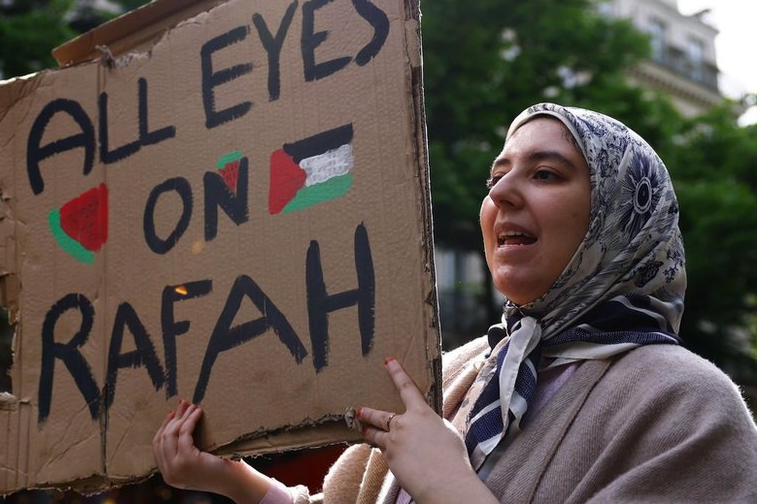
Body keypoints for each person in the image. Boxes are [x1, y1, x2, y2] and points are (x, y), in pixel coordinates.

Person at [152, 103, 757, 502]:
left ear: (619, 216)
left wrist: (449, 486)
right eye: (498, 175)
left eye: (546, 174)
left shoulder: (689, 405)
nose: (503, 192)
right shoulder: (460, 371)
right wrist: (228, 478)